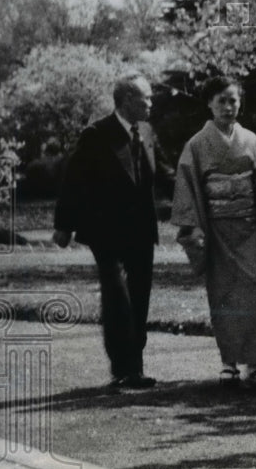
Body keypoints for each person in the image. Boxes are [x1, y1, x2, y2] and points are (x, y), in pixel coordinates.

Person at [53, 73, 174, 390]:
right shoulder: (96, 135)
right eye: (146, 98)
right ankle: (122, 369)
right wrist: (63, 226)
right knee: (118, 297)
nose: (151, 103)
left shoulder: (146, 132)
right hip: (106, 232)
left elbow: (165, 174)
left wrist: (199, 195)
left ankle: (135, 367)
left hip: (141, 231)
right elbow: (73, 182)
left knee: (140, 298)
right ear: (127, 100)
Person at [171, 77, 256, 386]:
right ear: (209, 103)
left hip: (250, 230)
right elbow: (187, 189)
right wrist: (192, 230)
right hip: (218, 232)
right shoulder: (197, 145)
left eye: (233, 100)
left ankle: (255, 363)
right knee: (222, 295)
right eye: (221, 100)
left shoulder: (251, 140)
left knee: (255, 292)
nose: (227, 107)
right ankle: (228, 363)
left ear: (240, 103)